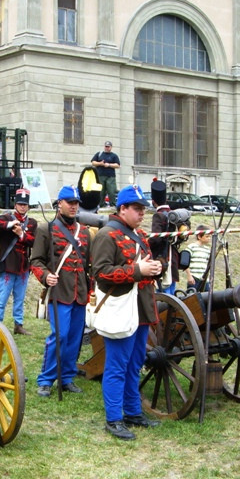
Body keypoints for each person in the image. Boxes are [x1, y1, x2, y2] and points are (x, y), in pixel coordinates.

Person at [91, 185, 163, 440]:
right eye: (137, 208)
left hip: (141, 307)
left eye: (143, 209)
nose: (142, 213)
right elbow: (101, 273)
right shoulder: (106, 235)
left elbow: (144, 265)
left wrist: (155, 268)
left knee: (134, 365)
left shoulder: (140, 235)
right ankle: (113, 418)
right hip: (121, 307)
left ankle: (133, 412)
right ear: (122, 209)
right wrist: (137, 271)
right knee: (117, 366)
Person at [30, 185, 90, 397]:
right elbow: (35, 261)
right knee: (60, 336)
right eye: (70, 203)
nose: (74, 207)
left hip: (80, 292)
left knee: (75, 337)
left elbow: (87, 263)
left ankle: (66, 377)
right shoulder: (46, 229)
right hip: (59, 292)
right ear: (59, 204)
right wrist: (46, 276)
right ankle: (46, 379)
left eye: (76, 203)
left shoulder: (83, 231)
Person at [0, 188, 37, 335]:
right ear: (15, 205)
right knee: (1, 299)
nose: (22, 206)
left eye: (25, 204)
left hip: (23, 267)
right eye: (20, 204)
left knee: (19, 299)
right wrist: (9, 225)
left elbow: (34, 242)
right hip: (8, 265)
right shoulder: (6, 218)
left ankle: (18, 325)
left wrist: (22, 234)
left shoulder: (32, 223)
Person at [149, 179, 181, 295]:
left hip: (162, 258)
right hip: (173, 257)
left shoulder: (158, 216)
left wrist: (145, 244)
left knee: (163, 293)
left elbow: (155, 239)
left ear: (153, 202)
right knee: (171, 290)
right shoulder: (174, 214)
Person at [90, 141, 120, 208]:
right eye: (106, 146)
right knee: (101, 191)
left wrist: (109, 165)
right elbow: (93, 162)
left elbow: (117, 165)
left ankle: (113, 205)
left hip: (110, 177)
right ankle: (101, 205)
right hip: (100, 176)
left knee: (111, 191)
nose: (107, 148)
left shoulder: (114, 156)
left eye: (108, 147)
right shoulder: (99, 154)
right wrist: (100, 163)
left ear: (111, 147)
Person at [186, 225, 212, 292]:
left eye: (209, 236)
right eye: (207, 236)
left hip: (204, 279)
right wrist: (189, 276)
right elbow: (185, 263)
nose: (209, 238)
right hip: (194, 278)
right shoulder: (191, 247)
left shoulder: (207, 250)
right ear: (199, 236)